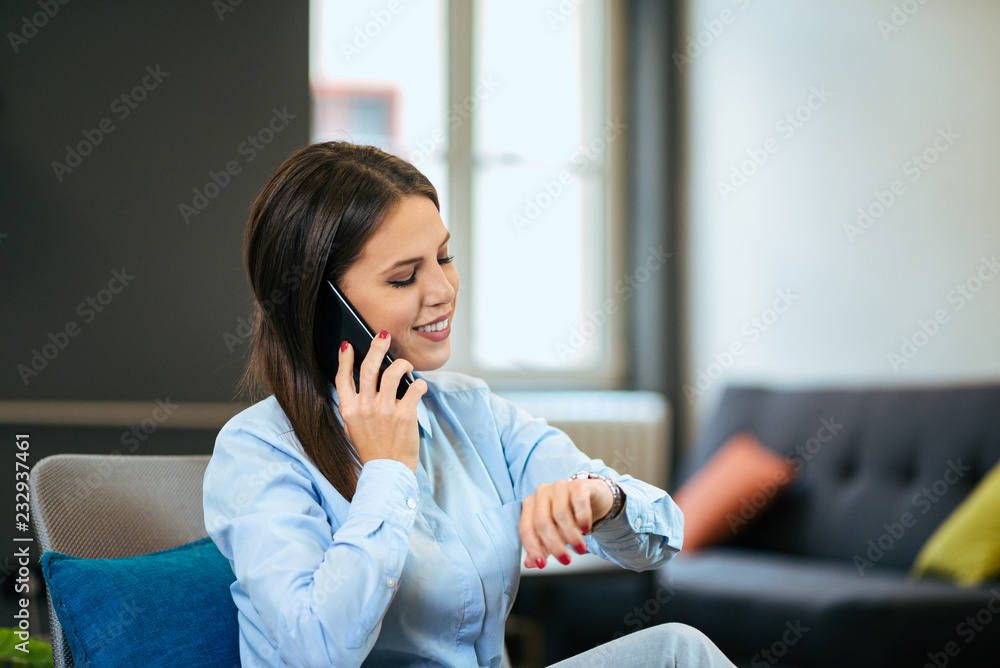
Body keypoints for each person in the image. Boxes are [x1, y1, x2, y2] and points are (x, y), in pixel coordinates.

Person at [202, 141, 736, 668]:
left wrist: (602, 499)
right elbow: (314, 649)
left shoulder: (471, 412)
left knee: (678, 650)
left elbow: (663, 538)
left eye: (444, 257)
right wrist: (386, 471)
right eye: (404, 276)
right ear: (323, 311)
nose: (443, 289)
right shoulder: (258, 452)